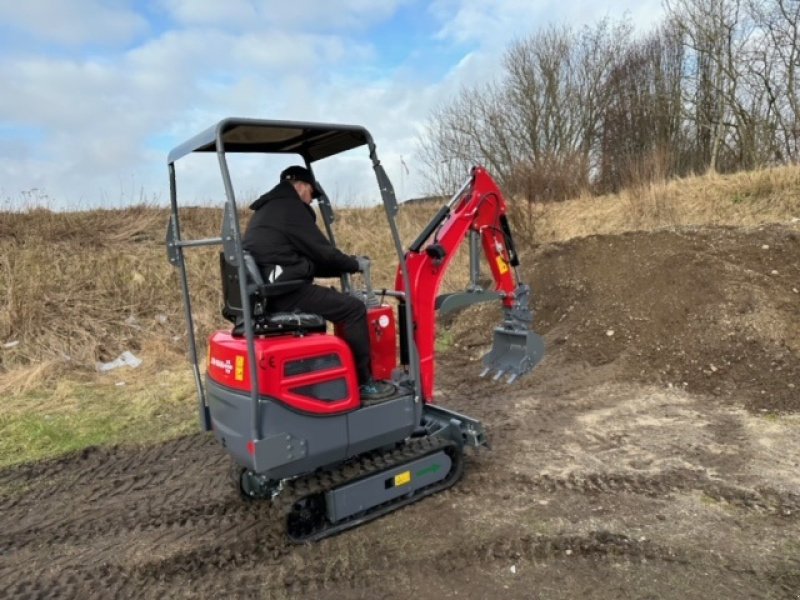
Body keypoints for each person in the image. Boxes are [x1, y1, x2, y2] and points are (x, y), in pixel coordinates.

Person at [243, 165, 395, 401]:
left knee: (333, 304)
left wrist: (345, 265)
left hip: (269, 288)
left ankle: (327, 376)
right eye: (312, 195)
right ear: (302, 186)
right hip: (285, 291)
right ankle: (363, 383)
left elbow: (311, 260)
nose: (311, 201)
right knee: (353, 309)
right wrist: (354, 264)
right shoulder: (291, 208)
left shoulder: (269, 209)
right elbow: (323, 252)